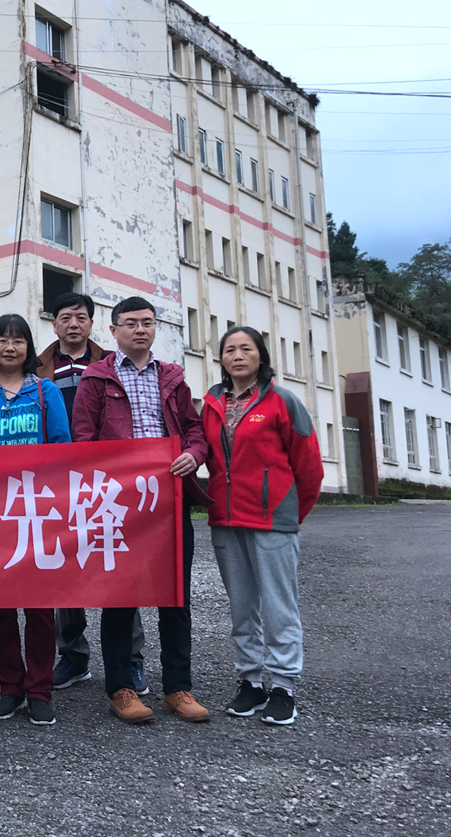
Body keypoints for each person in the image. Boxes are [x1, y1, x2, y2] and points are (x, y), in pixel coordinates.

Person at [72, 296, 211, 724]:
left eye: (147, 322)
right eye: (130, 323)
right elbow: (82, 439)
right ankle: (121, 688)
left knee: (175, 596)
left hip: (170, 501)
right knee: (120, 596)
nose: (140, 329)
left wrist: (193, 454)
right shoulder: (96, 378)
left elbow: (195, 430)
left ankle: (177, 688)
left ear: (155, 328)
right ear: (113, 331)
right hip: (118, 505)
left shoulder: (173, 377)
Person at [203, 326, 323, 725]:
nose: (237, 356)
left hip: (272, 520)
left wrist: (287, 512)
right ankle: (251, 681)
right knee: (241, 607)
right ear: (222, 358)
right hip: (225, 519)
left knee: (277, 605)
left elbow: (309, 467)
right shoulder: (212, 403)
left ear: (261, 356)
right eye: (229, 350)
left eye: (246, 349)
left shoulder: (282, 402)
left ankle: (284, 686)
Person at [0, 314, 70, 726]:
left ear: (28, 348)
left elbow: (62, 449)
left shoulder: (46, 391)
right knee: (0, 608)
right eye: (2, 340)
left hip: (38, 513)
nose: (10, 347)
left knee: (41, 608)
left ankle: (40, 689)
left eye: (18, 340)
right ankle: (10, 687)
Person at [37, 292, 146, 694]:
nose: (73, 324)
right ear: (54, 323)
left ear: (92, 323)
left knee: (119, 565)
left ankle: (132, 658)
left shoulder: (112, 364)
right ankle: (73, 655)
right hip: (57, 480)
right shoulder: (38, 368)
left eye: (81, 317)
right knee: (65, 567)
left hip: (107, 480)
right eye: (65, 317)